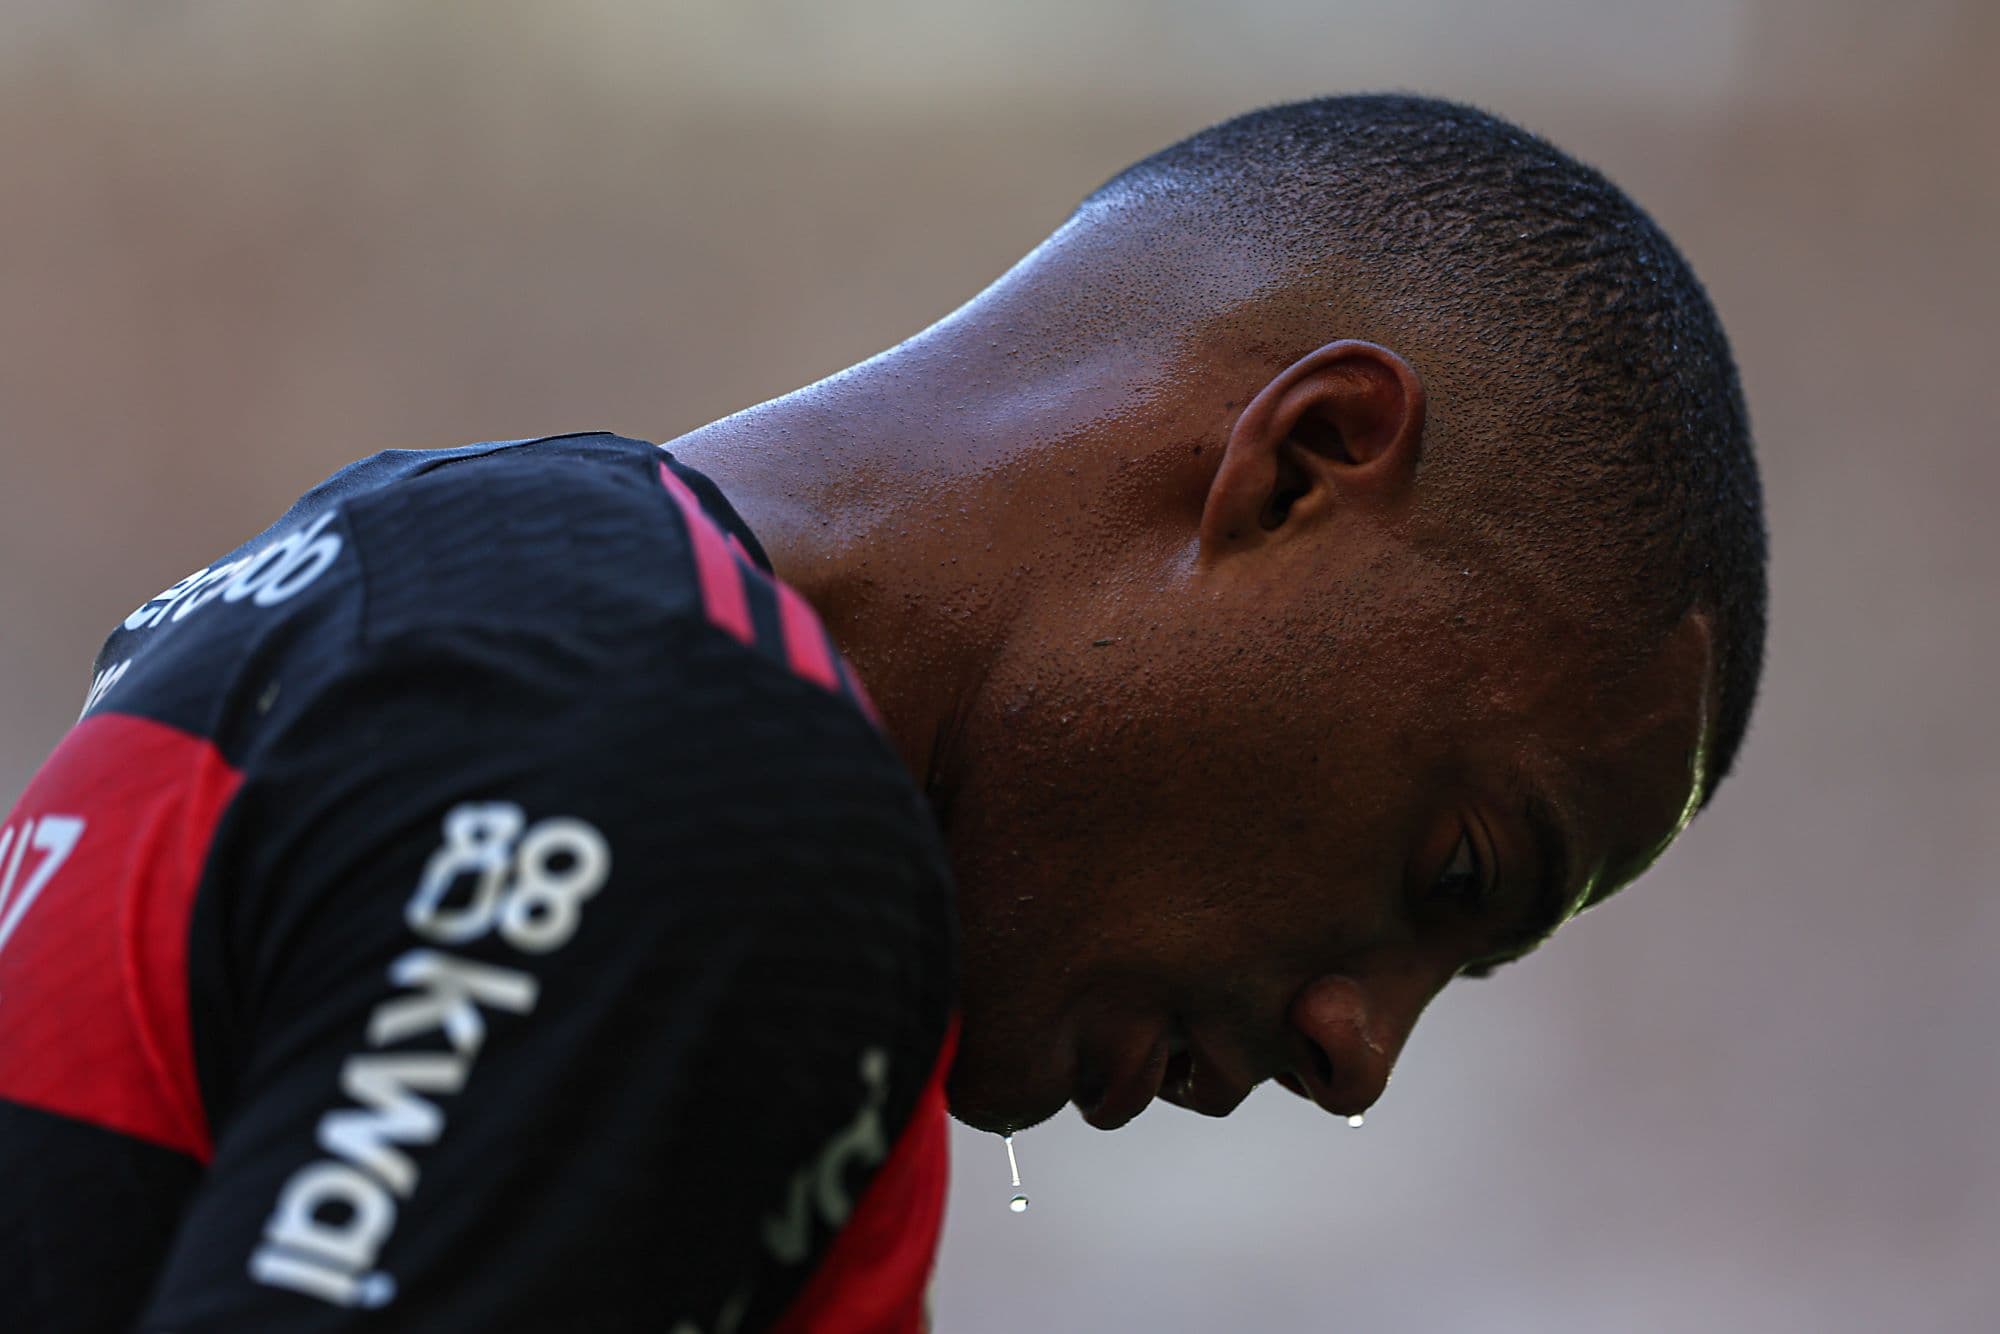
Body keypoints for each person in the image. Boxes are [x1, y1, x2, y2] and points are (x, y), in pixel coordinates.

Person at [0, 94, 1765, 1332]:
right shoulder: (701, 776)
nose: (1358, 1052)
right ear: (1300, 467)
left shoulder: (433, 572)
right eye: (1454, 871)